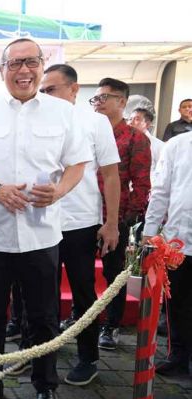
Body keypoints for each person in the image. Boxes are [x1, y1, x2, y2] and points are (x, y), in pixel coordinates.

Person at [0, 38, 91, 399]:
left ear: (41, 66)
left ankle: (45, 386)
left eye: (31, 62)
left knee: (45, 315)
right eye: (14, 64)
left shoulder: (62, 114)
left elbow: (77, 164)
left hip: (41, 235)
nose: (23, 70)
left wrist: (60, 191)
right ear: (2, 71)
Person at [39, 64, 121, 385]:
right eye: (43, 90)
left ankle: (88, 356)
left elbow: (111, 175)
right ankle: (39, 354)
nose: (45, 95)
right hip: (40, 222)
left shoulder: (95, 122)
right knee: (40, 294)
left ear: (74, 89)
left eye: (52, 89)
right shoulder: (35, 119)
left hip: (81, 222)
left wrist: (111, 223)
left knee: (83, 290)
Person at [90, 78, 151, 351]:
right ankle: (78, 319)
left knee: (114, 272)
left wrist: (127, 219)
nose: (99, 103)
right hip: (83, 213)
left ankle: (111, 325)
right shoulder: (86, 131)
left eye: (106, 98)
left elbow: (141, 182)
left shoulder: (135, 138)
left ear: (122, 102)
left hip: (114, 217)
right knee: (80, 271)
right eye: (97, 98)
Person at [144, 131, 192, 377]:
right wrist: (150, 232)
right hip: (179, 241)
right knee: (177, 303)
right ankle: (178, 356)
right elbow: (160, 191)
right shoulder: (177, 144)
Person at [128, 107, 166, 178]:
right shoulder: (123, 142)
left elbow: (163, 172)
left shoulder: (158, 145)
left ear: (147, 124)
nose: (130, 122)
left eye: (136, 119)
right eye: (130, 119)